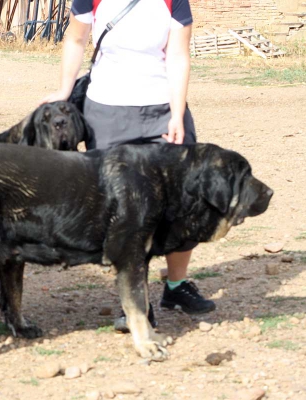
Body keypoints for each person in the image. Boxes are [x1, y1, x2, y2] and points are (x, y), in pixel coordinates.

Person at [40, 0, 216, 328]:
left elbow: (178, 55)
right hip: (106, 113)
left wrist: (177, 114)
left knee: (183, 200)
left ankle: (176, 285)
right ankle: (135, 301)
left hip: (162, 110)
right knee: (122, 211)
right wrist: (63, 90)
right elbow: (75, 39)